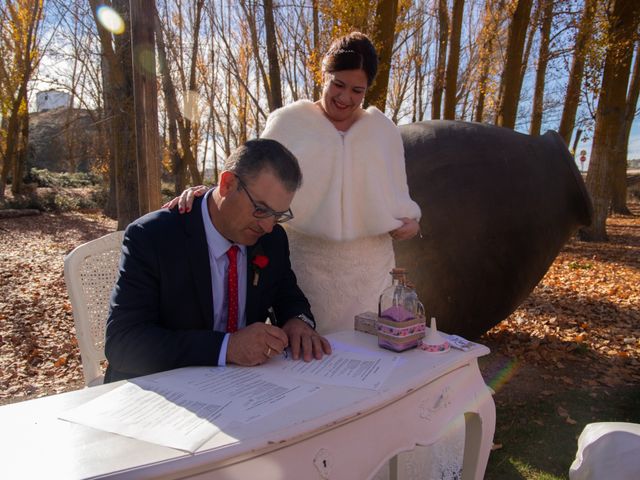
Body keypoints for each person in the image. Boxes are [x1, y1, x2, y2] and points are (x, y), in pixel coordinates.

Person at [168, 32, 422, 335]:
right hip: (305, 268)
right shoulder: (288, 123)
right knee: (305, 357)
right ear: (324, 75)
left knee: (368, 361)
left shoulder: (385, 132)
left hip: (369, 272)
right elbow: (247, 175)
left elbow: (401, 200)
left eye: (358, 90)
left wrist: (411, 225)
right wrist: (205, 194)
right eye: (338, 84)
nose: (345, 98)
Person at [105, 138, 331, 383]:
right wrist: (226, 347)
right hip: (161, 391)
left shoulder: (272, 240)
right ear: (227, 184)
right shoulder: (153, 237)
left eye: (278, 215)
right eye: (261, 209)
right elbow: (123, 342)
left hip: (245, 388)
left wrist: (297, 321)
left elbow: (287, 295)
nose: (267, 226)